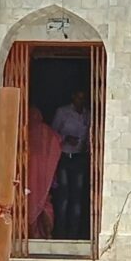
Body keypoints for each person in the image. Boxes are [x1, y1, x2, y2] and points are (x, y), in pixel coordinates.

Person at [51, 90, 89, 239]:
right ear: (73, 97)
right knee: (64, 196)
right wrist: (66, 138)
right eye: (78, 97)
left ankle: (74, 234)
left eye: (83, 98)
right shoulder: (63, 112)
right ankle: (60, 233)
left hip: (80, 158)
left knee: (77, 197)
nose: (81, 100)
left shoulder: (88, 115)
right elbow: (52, 134)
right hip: (64, 157)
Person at [27, 106, 62, 239]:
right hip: (45, 178)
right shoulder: (48, 134)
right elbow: (58, 142)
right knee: (45, 203)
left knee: (28, 202)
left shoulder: (24, 132)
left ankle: (29, 234)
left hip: (29, 177)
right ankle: (47, 234)